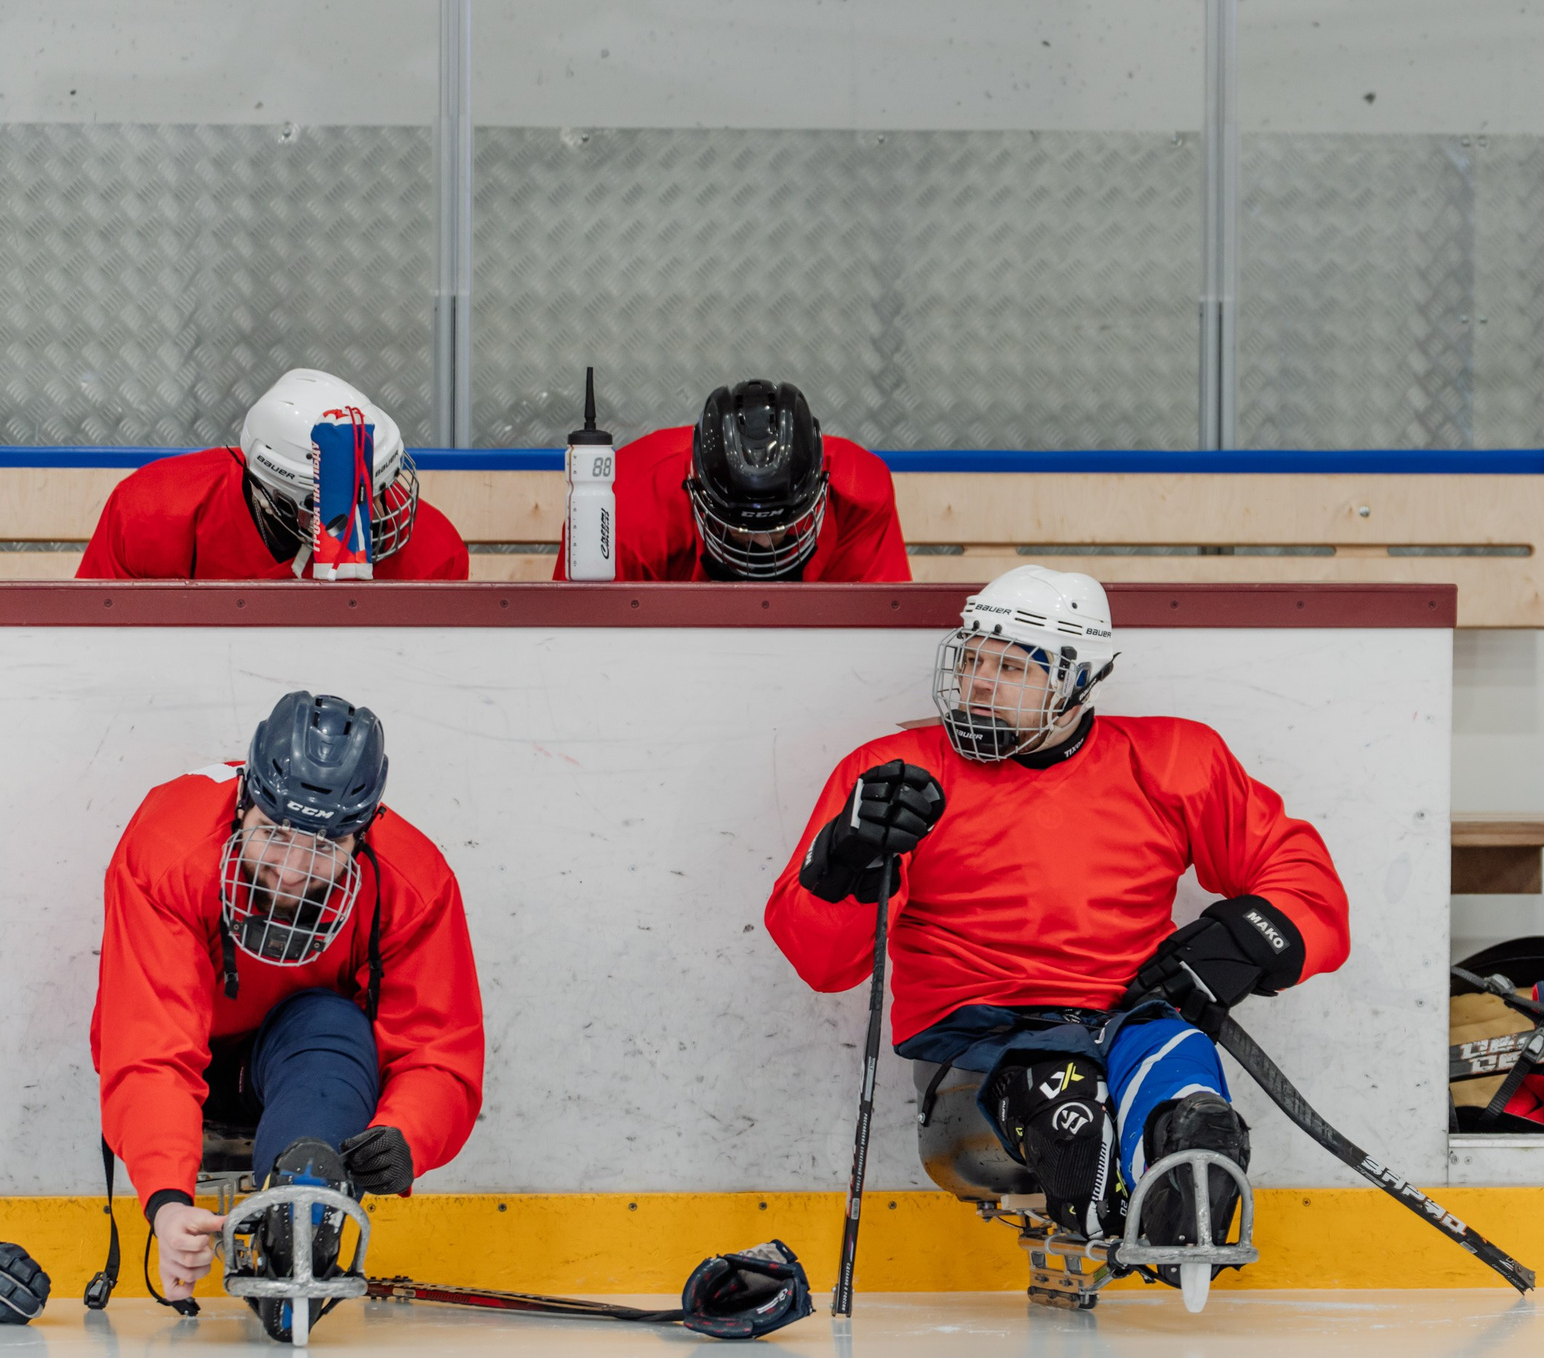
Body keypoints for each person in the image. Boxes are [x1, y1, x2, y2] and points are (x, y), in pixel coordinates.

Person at [763, 566, 1348, 1242]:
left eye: (1011, 667)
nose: (980, 681)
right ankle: (1114, 1209)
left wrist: (1248, 939)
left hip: (1127, 1015)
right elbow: (823, 964)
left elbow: (1303, 879)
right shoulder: (897, 777)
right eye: (973, 658)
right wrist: (846, 862)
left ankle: (1185, 1179)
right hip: (977, 1038)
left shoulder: (1175, 759)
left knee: (1184, 1079)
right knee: (1060, 1090)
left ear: (1079, 680)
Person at [91, 691, 485, 1333]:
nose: (293, 871)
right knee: (298, 1026)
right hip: (197, 1060)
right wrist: (165, 1198)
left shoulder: (414, 882)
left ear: (365, 831)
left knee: (330, 1022)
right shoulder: (170, 845)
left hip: (305, 1069)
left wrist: (408, 1134)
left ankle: (299, 1220)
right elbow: (147, 1042)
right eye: (273, 835)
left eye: (325, 846)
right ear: (245, 800)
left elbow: (440, 1048)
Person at [77, 369, 470, 581]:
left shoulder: (433, 553)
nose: (378, 510)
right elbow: (97, 644)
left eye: (380, 486)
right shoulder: (154, 513)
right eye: (343, 496)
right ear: (273, 495)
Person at [558, 378, 910, 582]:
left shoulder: (858, 490)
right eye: (741, 526)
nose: (762, 543)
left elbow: (874, 638)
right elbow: (579, 645)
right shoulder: (620, 502)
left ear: (820, 486)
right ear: (695, 487)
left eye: (780, 524)